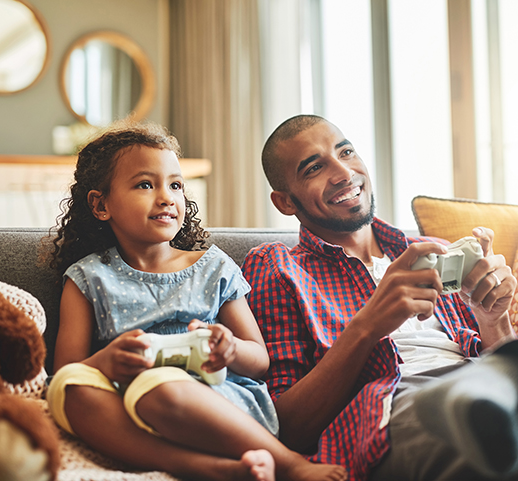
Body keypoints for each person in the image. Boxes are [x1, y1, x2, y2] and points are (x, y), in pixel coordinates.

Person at [241, 114, 518, 480]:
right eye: (315, 167)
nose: (344, 172)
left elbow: (490, 342)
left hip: (488, 391)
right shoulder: (276, 265)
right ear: (285, 201)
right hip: (403, 410)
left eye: (346, 151)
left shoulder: (428, 248)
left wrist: (494, 319)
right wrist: (367, 326)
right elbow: (288, 428)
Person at [44, 121, 348, 481]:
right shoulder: (88, 277)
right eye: (145, 184)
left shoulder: (212, 266)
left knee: (156, 386)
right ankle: (206, 469)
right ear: (101, 205)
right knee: (70, 390)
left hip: (222, 405)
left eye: (175, 185)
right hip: (130, 411)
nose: (166, 197)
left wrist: (230, 349)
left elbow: (260, 360)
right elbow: (66, 372)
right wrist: (106, 362)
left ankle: (288, 462)